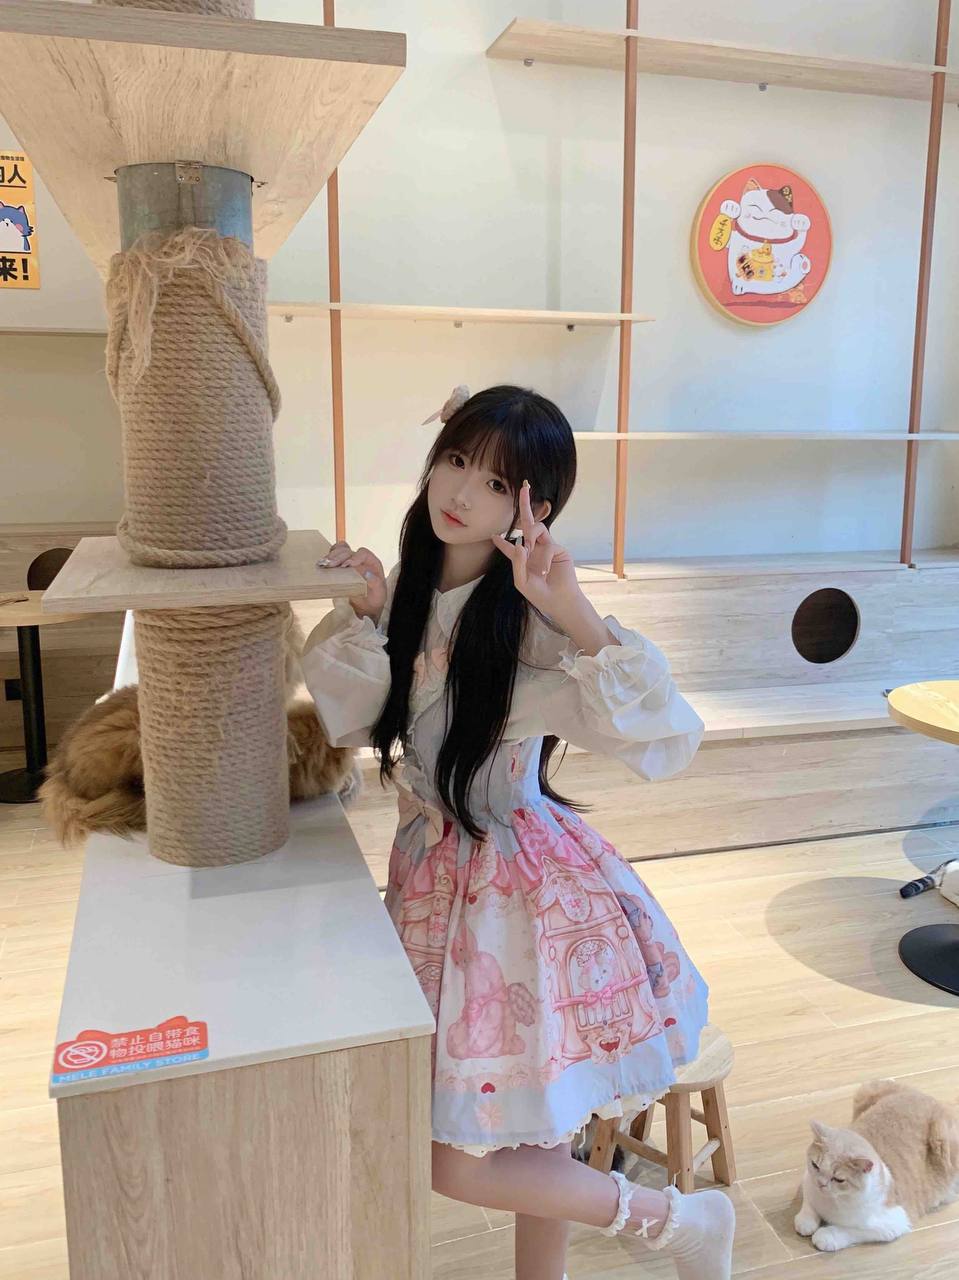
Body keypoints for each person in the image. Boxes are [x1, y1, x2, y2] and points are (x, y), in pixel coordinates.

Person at [302, 385, 735, 1280]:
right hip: (435, 883)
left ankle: (676, 1221)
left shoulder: (528, 621)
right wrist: (368, 612)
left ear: (533, 508)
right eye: (457, 460)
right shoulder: (410, 589)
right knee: (534, 1133)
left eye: (499, 483)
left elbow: (663, 734)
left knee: (450, 1156)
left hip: (519, 899)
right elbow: (354, 721)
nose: (463, 491)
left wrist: (570, 607)